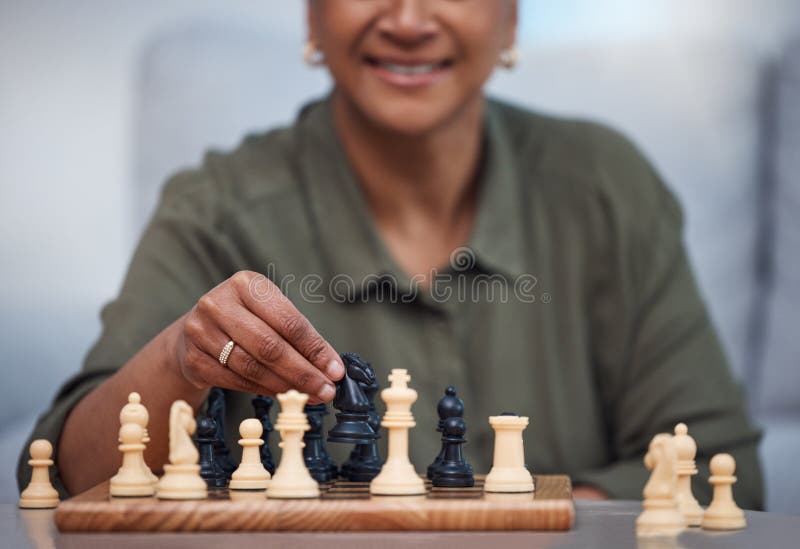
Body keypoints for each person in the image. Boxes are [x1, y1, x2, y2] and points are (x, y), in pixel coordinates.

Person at [18, 0, 764, 507]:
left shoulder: (607, 185)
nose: (408, 19)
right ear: (312, 14)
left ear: (513, 19)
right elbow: (57, 480)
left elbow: (724, 466)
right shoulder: (213, 207)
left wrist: (513, 518)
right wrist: (181, 358)